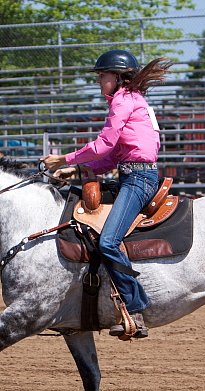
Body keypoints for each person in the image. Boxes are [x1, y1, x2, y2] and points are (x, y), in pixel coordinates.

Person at [41, 49, 172, 339]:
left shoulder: (123, 102)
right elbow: (112, 157)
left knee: (109, 241)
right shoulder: (134, 101)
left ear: (117, 77)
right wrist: (77, 170)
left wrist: (65, 159)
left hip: (138, 178)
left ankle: (135, 308)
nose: (100, 82)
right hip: (134, 172)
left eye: (103, 76)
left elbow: (103, 145)